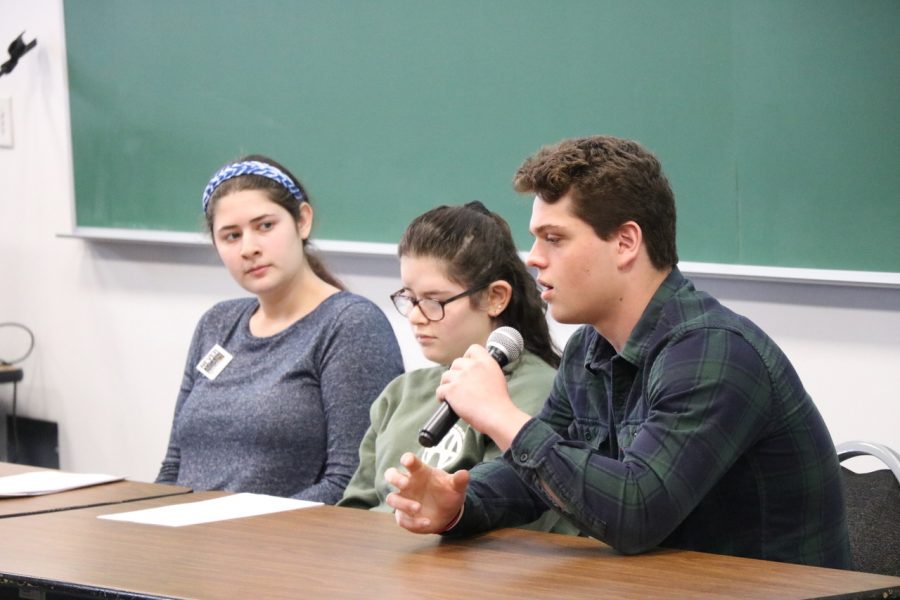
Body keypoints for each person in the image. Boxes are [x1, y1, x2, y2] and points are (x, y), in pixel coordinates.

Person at [384, 136, 851, 568]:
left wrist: (502, 416)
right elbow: (537, 478)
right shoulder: (591, 346)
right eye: (534, 238)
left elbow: (636, 513)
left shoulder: (716, 353)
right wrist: (459, 503)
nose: (532, 257)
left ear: (625, 243)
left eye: (554, 238)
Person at [156, 155, 404, 503]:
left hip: (283, 548)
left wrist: (233, 528)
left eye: (265, 226)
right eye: (231, 236)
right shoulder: (216, 325)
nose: (249, 248)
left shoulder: (350, 325)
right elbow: (173, 467)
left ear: (302, 221)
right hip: (193, 544)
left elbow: (351, 484)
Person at [339, 202, 572, 532]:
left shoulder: (539, 391)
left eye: (434, 301)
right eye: (409, 297)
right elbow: (352, 510)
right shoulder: (400, 393)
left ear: (495, 298)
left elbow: (518, 524)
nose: (417, 316)